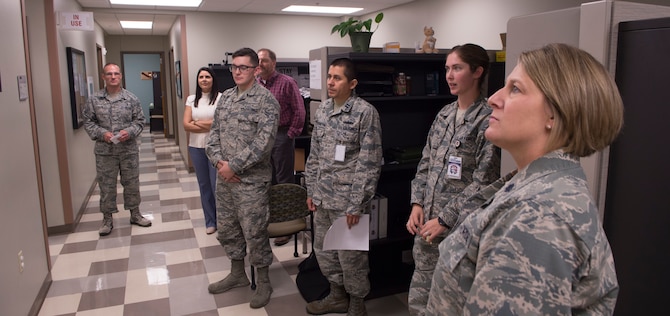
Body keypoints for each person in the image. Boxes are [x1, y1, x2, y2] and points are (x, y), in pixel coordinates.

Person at [425, 43, 622, 315]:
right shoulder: (535, 186)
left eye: (515, 89)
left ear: (554, 112)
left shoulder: (536, 216)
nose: (494, 98)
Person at [405, 43, 501, 315]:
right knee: (419, 302)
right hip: (427, 228)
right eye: (447, 68)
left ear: (477, 72)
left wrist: (446, 219)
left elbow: (484, 184)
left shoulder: (488, 122)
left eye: (457, 68)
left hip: (459, 231)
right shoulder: (444, 115)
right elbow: (425, 163)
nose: (449, 75)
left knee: (450, 305)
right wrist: (417, 204)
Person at [304, 58, 383, 316]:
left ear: (352, 83)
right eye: (329, 76)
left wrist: (357, 203)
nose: (330, 82)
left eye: (337, 78)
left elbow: (369, 162)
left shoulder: (365, 112)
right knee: (325, 251)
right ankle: (337, 296)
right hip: (323, 198)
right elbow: (314, 154)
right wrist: (312, 191)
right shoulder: (323, 110)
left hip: (348, 200)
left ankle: (357, 303)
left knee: (351, 256)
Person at [205, 48, 279, 309]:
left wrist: (233, 166)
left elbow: (263, 144)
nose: (237, 71)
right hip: (225, 180)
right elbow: (213, 135)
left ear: (256, 70)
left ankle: (264, 280)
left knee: (254, 231)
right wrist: (218, 162)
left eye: (243, 67)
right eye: (234, 67)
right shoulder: (225, 98)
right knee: (227, 228)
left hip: (251, 183)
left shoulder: (266, 101)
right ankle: (237, 273)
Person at [83, 62, 152, 236]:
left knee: (132, 183)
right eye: (109, 74)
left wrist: (128, 132)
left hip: (128, 150)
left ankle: (135, 214)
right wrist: (102, 133)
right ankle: (107, 219)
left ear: (120, 76)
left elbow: (139, 121)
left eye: (116, 74)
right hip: (105, 151)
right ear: (103, 77)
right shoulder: (94, 100)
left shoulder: (131, 99)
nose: (113, 77)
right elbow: (89, 122)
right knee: (106, 186)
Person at [256, 48, 306, 246]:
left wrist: (290, 135)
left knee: (283, 179)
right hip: (261, 136)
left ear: (274, 63)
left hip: (281, 134)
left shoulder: (287, 82)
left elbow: (299, 111)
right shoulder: (256, 84)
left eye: (264, 60)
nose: (260, 64)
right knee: (265, 178)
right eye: (258, 61)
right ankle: (269, 220)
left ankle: (286, 225)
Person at [183, 67, 222, 235]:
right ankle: (210, 221)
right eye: (201, 77)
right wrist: (208, 124)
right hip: (196, 148)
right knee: (204, 185)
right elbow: (186, 125)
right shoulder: (191, 100)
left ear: (213, 79)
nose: (204, 79)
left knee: (216, 186)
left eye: (207, 77)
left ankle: (223, 220)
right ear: (197, 80)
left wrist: (196, 121)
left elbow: (220, 124)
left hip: (216, 148)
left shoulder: (221, 98)